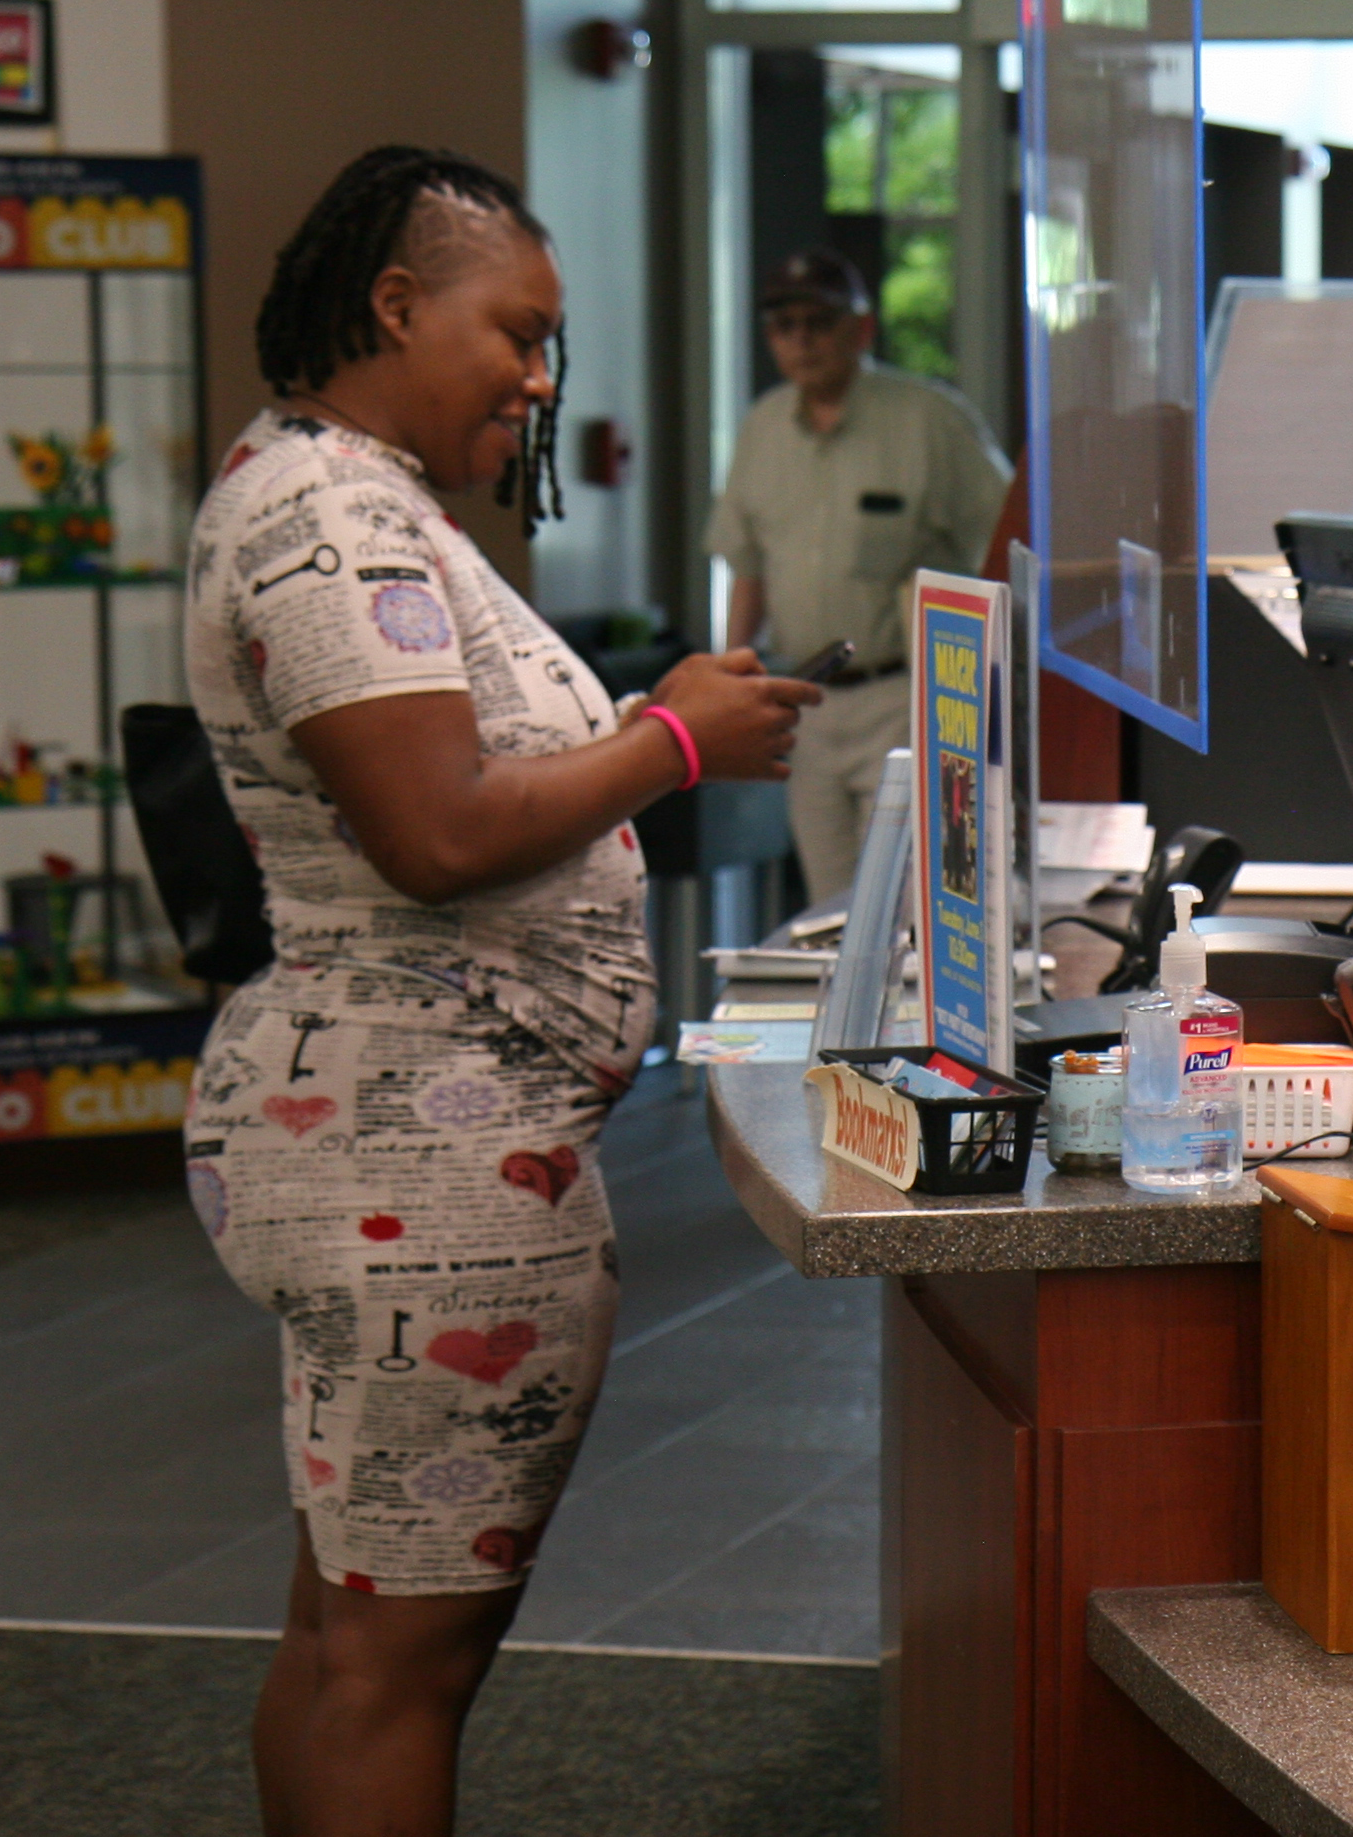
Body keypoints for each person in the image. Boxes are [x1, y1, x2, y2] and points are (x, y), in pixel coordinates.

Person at [182, 146, 823, 1836]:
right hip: (419, 1154)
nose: (540, 373)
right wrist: (672, 737)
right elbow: (437, 830)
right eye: (515, 330)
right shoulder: (330, 518)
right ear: (396, 305)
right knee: (406, 1667)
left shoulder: (344, 495)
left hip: (397, 1133)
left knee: (348, 1627)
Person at [708, 246, 1013, 901]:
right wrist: (737, 680)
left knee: (912, 901)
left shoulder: (929, 420)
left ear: (862, 328)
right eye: (784, 325)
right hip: (804, 701)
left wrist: (993, 685)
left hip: (903, 696)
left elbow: (1005, 546)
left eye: (820, 321)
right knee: (830, 910)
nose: (802, 340)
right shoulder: (762, 428)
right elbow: (748, 566)